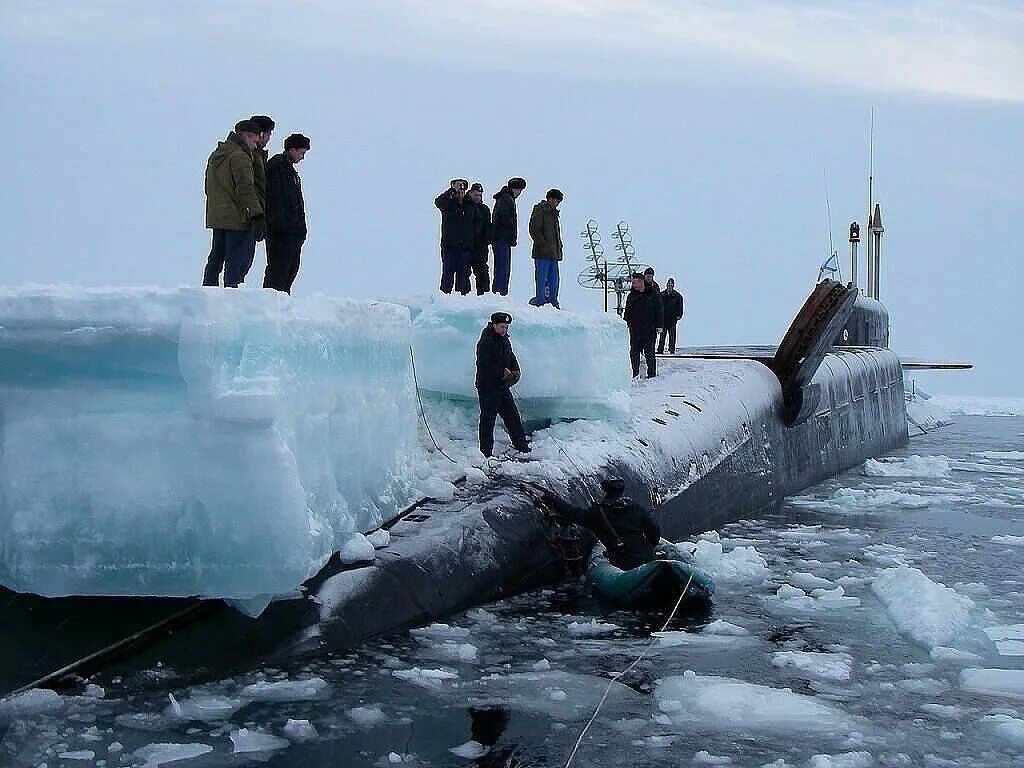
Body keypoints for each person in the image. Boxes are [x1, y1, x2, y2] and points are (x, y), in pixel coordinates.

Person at [544, 477, 660, 570]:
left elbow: (573, 513)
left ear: (606, 493)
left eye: (602, 491)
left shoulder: (598, 514)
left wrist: (554, 499)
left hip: (626, 564)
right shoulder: (635, 506)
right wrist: (649, 547)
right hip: (649, 557)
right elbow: (654, 529)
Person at [202, 119, 266, 288]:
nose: (255, 145)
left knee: (216, 257)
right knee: (236, 262)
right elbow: (245, 188)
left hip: (218, 216)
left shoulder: (217, 154)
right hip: (237, 219)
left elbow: (207, 186)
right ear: (246, 136)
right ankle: (232, 297)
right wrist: (256, 214)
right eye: (254, 140)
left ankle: (208, 292)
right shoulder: (240, 157)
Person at [476, 311, 530, 458]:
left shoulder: (505, 339)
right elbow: (484, 364)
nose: (504, 330)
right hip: (488, 387)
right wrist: (502, 373)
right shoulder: (486, 341)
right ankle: (485, 452)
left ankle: (522, 447)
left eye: (506, 327)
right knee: (488, 419)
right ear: (494, 325)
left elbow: (510, 356)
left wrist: (515, 370)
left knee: (512, 416)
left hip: (502, 386)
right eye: (502, 327)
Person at [263, 133, 310, 294]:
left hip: (293, 233)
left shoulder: (291, 172)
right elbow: (274, 198)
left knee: (290, 270)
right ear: (293, 149)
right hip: (281, 232)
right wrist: (279, 225)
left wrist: (300, 231)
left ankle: (282, 301)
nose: (302, 157)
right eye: (302, 152)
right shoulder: (276, 166)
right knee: (278, 271)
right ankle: (271, 303)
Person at [435, 179, 476, 294]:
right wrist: (452, 190)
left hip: (466, 248)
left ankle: (462, 301)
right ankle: (444, 300)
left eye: (462, 192)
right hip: (450, 247)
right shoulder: (448, 206)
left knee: (463, 278)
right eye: (458, 192)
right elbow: (439, 202)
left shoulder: (470, 206)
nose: (460, 194)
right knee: (447, 276)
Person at [491, 177, 527, 295]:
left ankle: (500, 291)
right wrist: (511, 234)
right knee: (503, 268)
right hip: (502, 239)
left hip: (501, 238)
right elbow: (505, 219)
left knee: (502, 267)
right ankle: (500, 293)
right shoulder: (507, 199)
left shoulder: (504, 198)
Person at [528, 188, 564, 308]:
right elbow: (534, 230)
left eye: (558, 201)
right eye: (555, 200)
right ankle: (541, 300)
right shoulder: (540, 210)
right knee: (542, 278)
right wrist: (543, 245)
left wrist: (559, 247)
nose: (556, 203)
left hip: (553, 253)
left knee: (554, 279)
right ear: (549, 199)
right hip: (542, 253)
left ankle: (553, 300)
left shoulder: (554, 214)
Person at [623, 272, 659, 377]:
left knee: (649, 353)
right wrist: (626, 323)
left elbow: (659, 310)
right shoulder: (631, 296)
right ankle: (634, 373)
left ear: (641, 281)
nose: (633, 285)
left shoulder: (653, 293)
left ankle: (651, 374)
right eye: (632, 283)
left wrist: (659, 325)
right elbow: (627, 312)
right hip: (635, 330)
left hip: (649, 329)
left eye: (634, 283)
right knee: (634, 353)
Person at [467, 182, 492, 295]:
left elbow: (488, 227)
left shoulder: (485, 210)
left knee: (483, 275)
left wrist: (487, 240)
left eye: (480, 195)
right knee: (464, 275)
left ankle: (484, 298)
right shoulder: (465, 207)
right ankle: (464, 298)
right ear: (471, 193)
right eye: (476, 195)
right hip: (466, 247)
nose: (478, 197)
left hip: (480, 249)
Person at [658, 277, 684, 354]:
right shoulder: (661, 295)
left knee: (672, 336)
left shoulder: (677, 296)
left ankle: (671, 350)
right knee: (662, 336)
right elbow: (658, 306)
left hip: (672, 319)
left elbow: (680, 307)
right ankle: (660, 350)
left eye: (671, 285)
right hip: (663, 319)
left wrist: (679, 315)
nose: (669, 286)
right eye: (668, 285)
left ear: (673, 286)